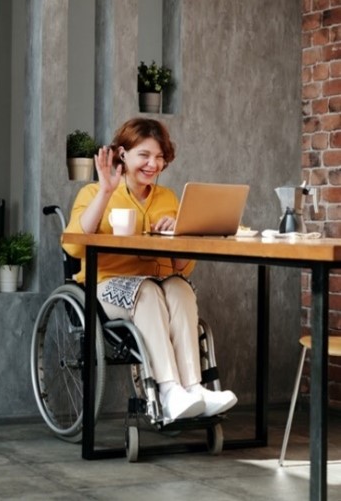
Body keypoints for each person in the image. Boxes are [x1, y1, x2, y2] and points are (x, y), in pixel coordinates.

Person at [63, 117, 237, 421]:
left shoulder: (168, 199)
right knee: (147, 291)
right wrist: (105, 192)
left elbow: (182, 267)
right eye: (144, 155)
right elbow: (75, 247)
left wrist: (180, 234)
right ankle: (169, 391)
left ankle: (194, 389)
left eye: (159, 157)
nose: (152, 164)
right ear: (123, 154)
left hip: (158, 284)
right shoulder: (93, 193)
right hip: (106, 286)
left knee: (180, 287)